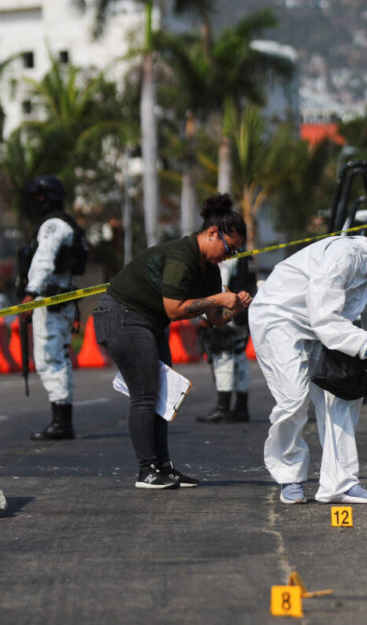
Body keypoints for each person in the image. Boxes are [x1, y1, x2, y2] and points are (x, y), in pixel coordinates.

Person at [249, 218, 367, 505]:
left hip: (326, 327)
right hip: (280, 317)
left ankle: (339, 484)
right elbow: (324, 317)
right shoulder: (344, 256)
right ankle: (289, 475)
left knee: (343, 396)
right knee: (293, 399)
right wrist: (366, 345)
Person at [94, 193, 251, 490]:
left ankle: (163, 467)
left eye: (235, 252)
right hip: (122, 315)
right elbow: (174, 310)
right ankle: (146, 470)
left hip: (149, 322)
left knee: (163, 395)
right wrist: (219, 299)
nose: (229, 256)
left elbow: (214, 319)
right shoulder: (182, 255)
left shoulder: (209, 270)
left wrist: (234, 308)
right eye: (229, 248)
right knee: (145, 393)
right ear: (213, 233)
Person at [23, 174, 87, 441]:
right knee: (60, 357)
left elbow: (44, 260)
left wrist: (30, 293)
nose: (36, 202)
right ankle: (63, 419)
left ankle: (61, 422)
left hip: (50, 299)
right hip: (63, 299)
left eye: (39, 197)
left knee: (50, 358)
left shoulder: (52, 226)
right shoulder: (68, 224)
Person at [195, 254, 257, 423]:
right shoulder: (246, 257)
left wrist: (207, 316)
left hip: (227, 313)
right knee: (240, 357)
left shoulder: (227, 256)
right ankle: (241, 408)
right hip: (243, 314)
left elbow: (220, 285)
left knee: (222, 358)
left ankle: (223, 408)